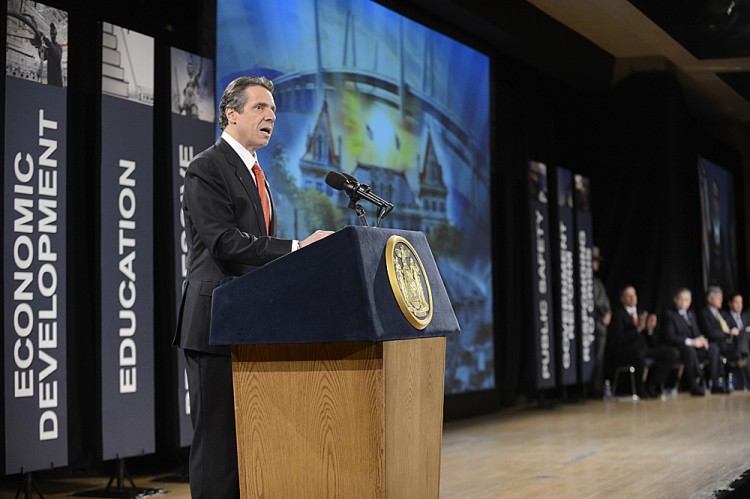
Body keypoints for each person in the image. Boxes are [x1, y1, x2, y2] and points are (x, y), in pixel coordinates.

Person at [173, 76, 333, 499]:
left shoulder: (257, 173)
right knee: (218, 448)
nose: (271, 116)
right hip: (214, 325)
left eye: (274, 110)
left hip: (249, 325)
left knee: (248, 447)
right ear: (231, 113)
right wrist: (298, 247)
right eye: (261, 107)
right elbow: (224, 241)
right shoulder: (207, 166)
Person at [606, 285, 679, 398]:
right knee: (639, 354)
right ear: (622, 299)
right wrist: (638, 329)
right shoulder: (618, 315)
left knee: (672, 353)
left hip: (645, 349)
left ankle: (652, 384)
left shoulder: (641, 313)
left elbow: (652, 340)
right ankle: (640, 389)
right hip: (626, 351)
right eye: (629, 296)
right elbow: (618, 339)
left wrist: (650, 329)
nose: (633, 298)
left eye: (634, 295)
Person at [661, 287, 721, 396]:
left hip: (694, 347)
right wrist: (690, 342)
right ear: (675, 299)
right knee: (689, 351)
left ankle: (715, 383)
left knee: (713, 348)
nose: (685, 302)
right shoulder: (669, 315)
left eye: (687, 299)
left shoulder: (691, 314)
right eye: (682, 299)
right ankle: (694, 385)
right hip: (680, 348)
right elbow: (669, 336)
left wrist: (702, 340)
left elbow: (697, 333)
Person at [698, 286, 749, 386]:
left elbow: (731, 326)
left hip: (731, 343)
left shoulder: (722, 314)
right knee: (744, 351)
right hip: (719, 343)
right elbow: (711, 333)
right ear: (710, 299)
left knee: (743, 335)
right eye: (718, 298)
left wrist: (733, 329)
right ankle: (741, 354)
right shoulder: (704, 313)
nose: (721, 300)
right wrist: (728, 334)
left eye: (721, 298)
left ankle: (742, 354)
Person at [591, 246, 611, 393]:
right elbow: (594, 301)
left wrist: (608, 313)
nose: (597, 264)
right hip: (593, 323)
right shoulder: (585, 281)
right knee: (595, 358)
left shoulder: (597, 281)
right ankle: (593, 388)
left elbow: (604, 301)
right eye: (595, 261)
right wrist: (603, 313)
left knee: (600, 358)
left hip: (601, 324)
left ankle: (597, 386)